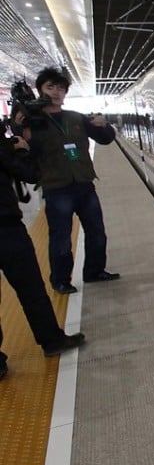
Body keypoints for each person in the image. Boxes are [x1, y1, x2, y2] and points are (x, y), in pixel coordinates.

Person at [18, 67, 120, 294]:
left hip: (84, 185)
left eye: (60, 88)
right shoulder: (33, 122)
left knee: (97, 232)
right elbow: (27, 155)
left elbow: (105, 140)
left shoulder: (76, 118)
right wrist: (21, 129)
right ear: (40, 90)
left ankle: (94, 271)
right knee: (61, 238)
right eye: (50, 87)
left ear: (65, 92)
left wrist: (105, 126)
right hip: (56, 189)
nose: (56, 92)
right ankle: (61, 279)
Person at [0, 128, 85, 380]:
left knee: (32, 287)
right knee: (31, 287)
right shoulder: (3, 147)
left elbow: (31, 174)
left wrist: (23, 150)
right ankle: (49, 340)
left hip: (8, 226)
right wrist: (10, 150)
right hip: (8, 228)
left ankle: (52, 339)